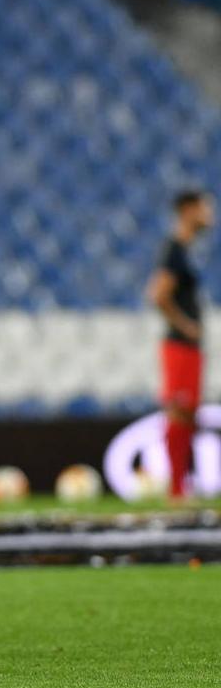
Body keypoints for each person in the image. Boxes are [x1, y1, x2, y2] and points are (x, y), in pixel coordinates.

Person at [147, 190, 213, 500]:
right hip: (179, 344)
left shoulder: (183, 251)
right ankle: (175, 489)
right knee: (179, 410)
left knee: (188, 412)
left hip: (187, 346)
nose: (211, 212)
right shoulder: (174, 249)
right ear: (188, 210)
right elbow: (157, 294)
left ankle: (181, 485)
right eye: (204, 206)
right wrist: (185, 324)